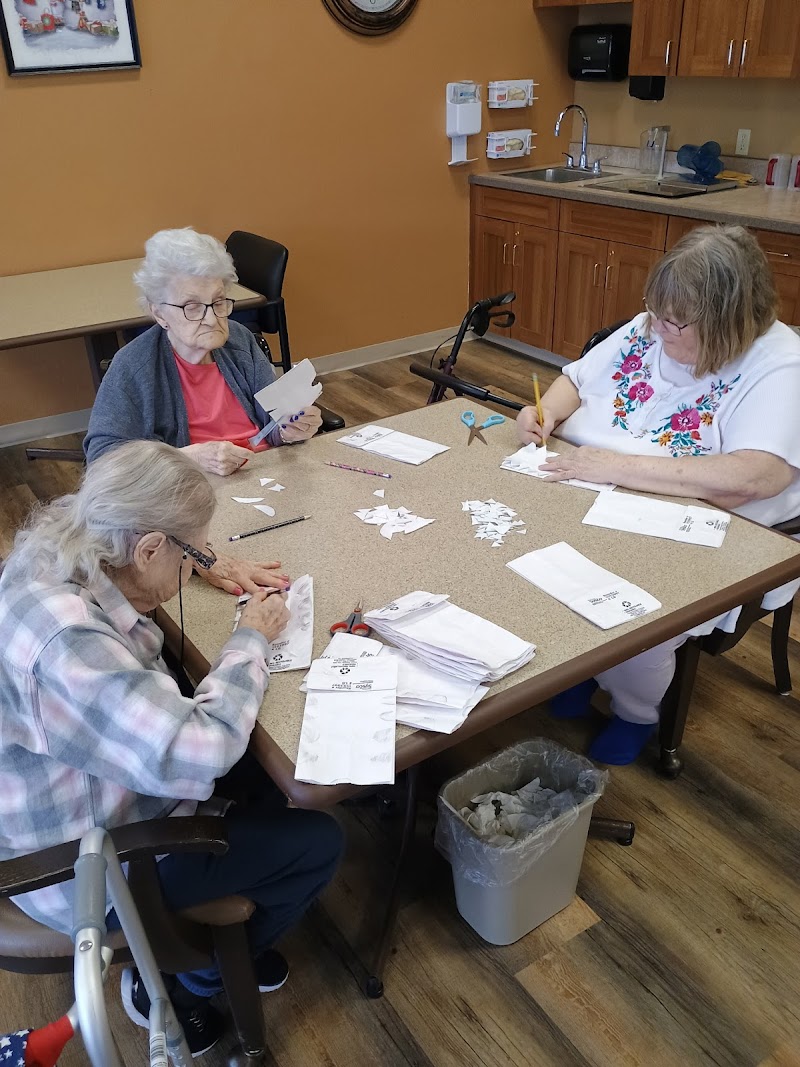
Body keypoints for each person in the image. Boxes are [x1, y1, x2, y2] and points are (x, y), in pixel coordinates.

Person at [0, 441, 343, 1057]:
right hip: (82, 863)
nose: (195, 567)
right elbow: (201, 752)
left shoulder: (67, 543)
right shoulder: (69, 641)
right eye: (189, 555)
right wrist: (249, 641)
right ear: (149, 546)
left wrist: (207, 563)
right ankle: (188, 974)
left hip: (85, 794)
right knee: (319, 841)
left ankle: (194, 951)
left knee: (265, 769)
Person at [516, 224, 800, 765]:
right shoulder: (656, 323)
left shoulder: (780, 364)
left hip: (706, 524)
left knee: (636, 613)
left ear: (729, 321)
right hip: (600, 489)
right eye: (656, 312)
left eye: (675, 321)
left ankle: (635, 711)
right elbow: (576, 380)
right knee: (533, 558)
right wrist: (546, 411)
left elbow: (756, 477)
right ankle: (584, 666)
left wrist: (612, 466)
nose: (658, 329)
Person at [84, 226, 322, 599]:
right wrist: (186, 458)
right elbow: (102, 463)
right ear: (158, 312)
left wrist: (290, 427)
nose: (211, 318)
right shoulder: (133, 367)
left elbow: (270, 426)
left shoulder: (240, 342)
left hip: (268, 486)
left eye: (219, 301)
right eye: (192, 306)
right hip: (191, 510)